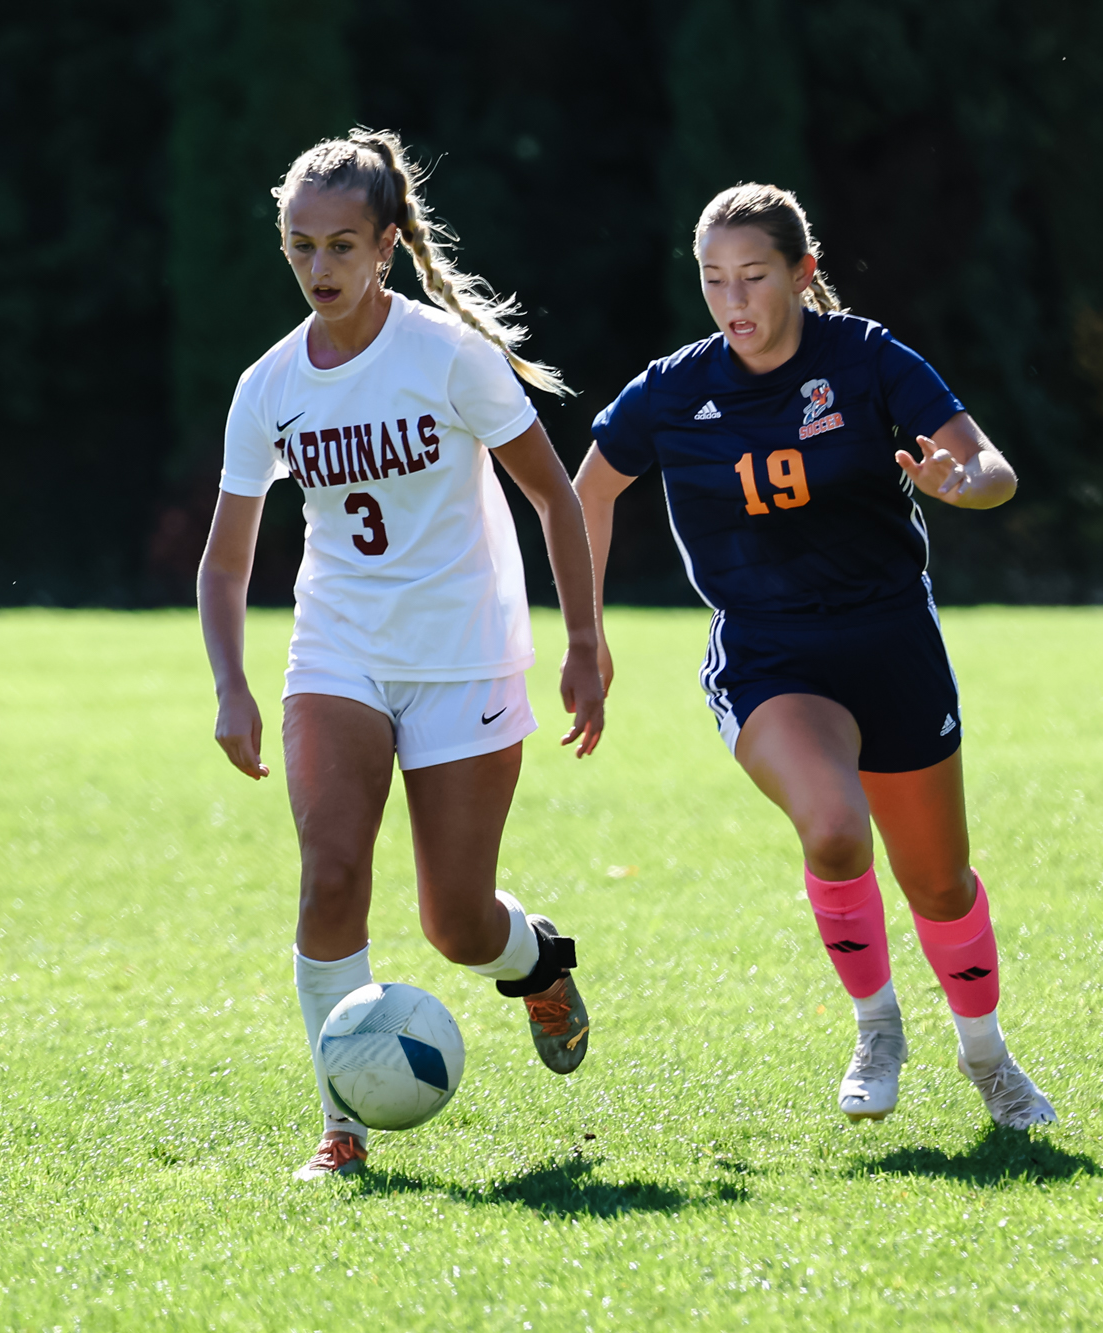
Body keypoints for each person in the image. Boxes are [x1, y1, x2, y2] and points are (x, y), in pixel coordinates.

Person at [573, 183, 1054, 1130]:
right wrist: (586, 638)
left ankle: (988, 1056)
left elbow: (987, 463)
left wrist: (967, 487)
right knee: (834, 826)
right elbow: (587, 491)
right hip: (768, 652)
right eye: (714, 281)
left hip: (891, 641)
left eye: (754, 276)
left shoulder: (866, 358)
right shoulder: (674, 389)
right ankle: (878, 1029)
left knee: (938, 880)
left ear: (804, 272)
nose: (734, 302)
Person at [198, 129, 605, 1180]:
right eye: (299, 247)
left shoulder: (446, 355)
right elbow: (224, 559)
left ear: (385, 245)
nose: (319, 269)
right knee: (330, 875)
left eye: (340, 246)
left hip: (462, 654)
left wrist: (584, 640)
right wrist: (232, 685)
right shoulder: (268, 385)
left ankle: (536, 958)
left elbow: (553, 495)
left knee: (456, 925)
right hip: (337, 649)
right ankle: (341, 1120)